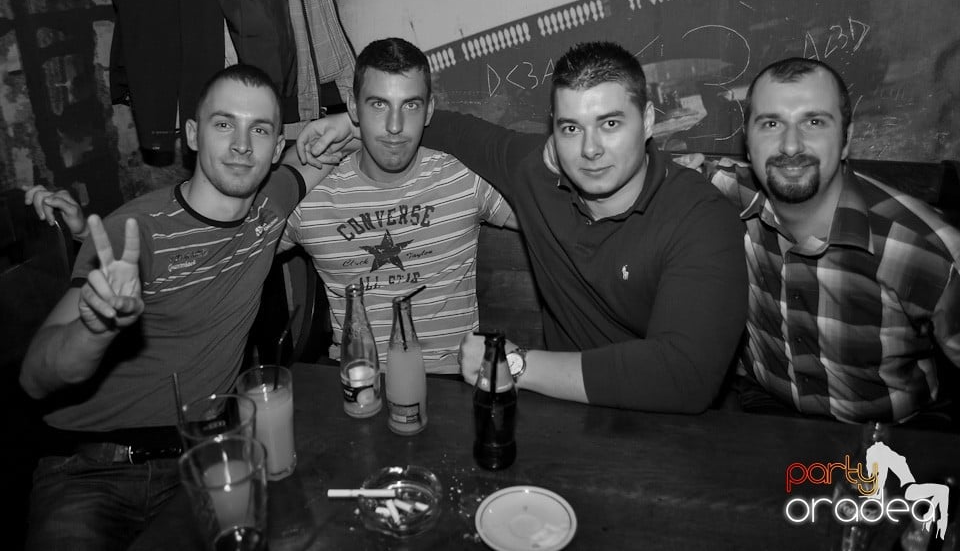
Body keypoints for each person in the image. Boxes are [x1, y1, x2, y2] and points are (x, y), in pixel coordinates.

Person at [298, 41, 748, 413]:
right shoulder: (535, 173)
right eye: (571, 128)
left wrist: (514, 365)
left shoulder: (701, 216)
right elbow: (447, 129)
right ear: (553, 131)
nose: (590, 149)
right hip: (567, 416)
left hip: (676, 430)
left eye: (610, 123)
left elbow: (685, 376)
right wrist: (354, 125)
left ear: (647, 121)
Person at [18, 63, 333, 551]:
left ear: (276, 150)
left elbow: (341, 145)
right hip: (93, 470)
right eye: (224, 124)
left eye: (259, 130)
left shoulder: (271, 207)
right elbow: (34, 377)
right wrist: (96, 328)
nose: (241, 145)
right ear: (191, 134)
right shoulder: (136, 233)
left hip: (208, 459)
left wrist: (345, 120)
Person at [681, 57, 960, 424]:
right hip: (761, 416)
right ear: (748, 142)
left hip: (888, 435)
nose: (791, 145)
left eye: (814, 122)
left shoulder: (927, 249)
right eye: (771, 123)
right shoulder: (719, 196)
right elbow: (643, 169)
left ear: (846, 140)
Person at [279, 37, 515, 374]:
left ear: (429, 111)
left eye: (410, 105)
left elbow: (551, 214)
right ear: (353, 108)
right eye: (378, 104)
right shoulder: (315, 197)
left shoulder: (463, 178)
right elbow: (243, 244)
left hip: (451, 380)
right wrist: (294, 160)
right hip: (357, 378)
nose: (394, 126)